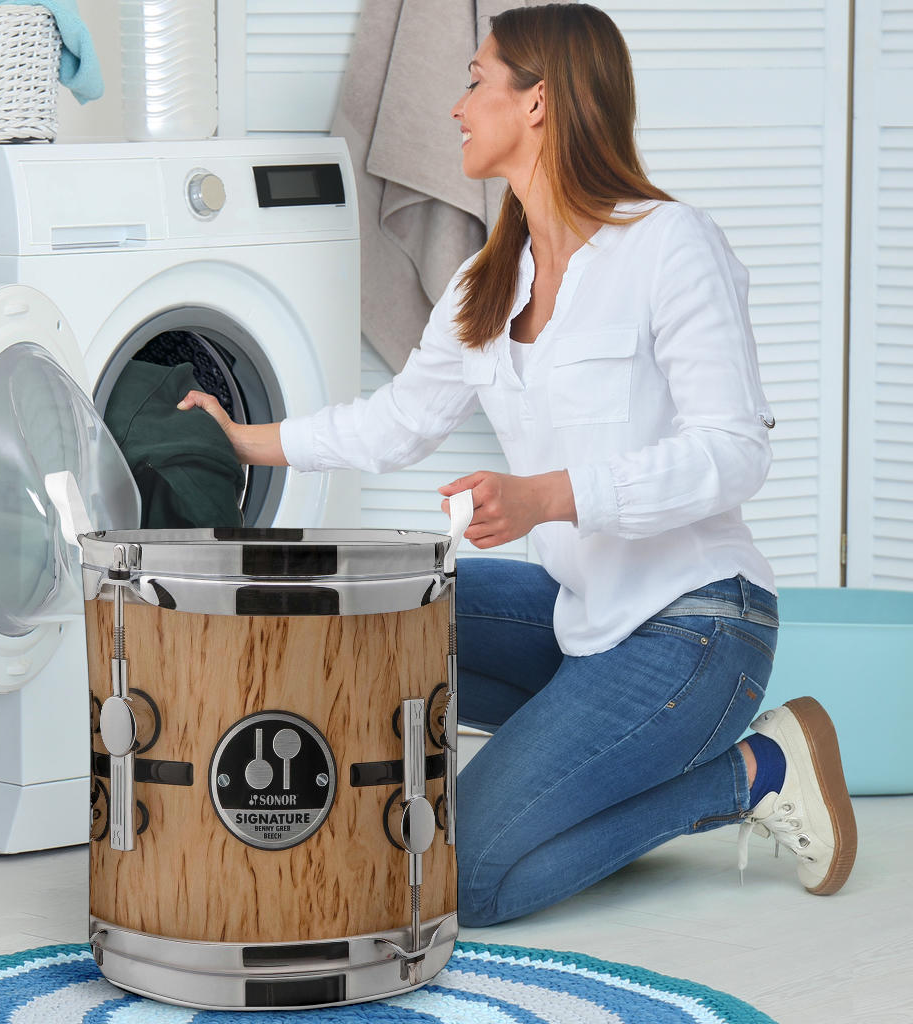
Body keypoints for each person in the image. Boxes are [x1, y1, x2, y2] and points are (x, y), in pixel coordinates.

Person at [178, 2, 857, 927]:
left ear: (538, 103)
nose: (455, 106)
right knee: (379, 617)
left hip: (698, 627)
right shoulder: (486, 281)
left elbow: (735, 454)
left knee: (468, 880)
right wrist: (252, 438)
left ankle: (755, 773)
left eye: (474, 81)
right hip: (584, 619)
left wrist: (550, 497)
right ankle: (550, 766)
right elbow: (399, 422)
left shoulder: (668, 244)